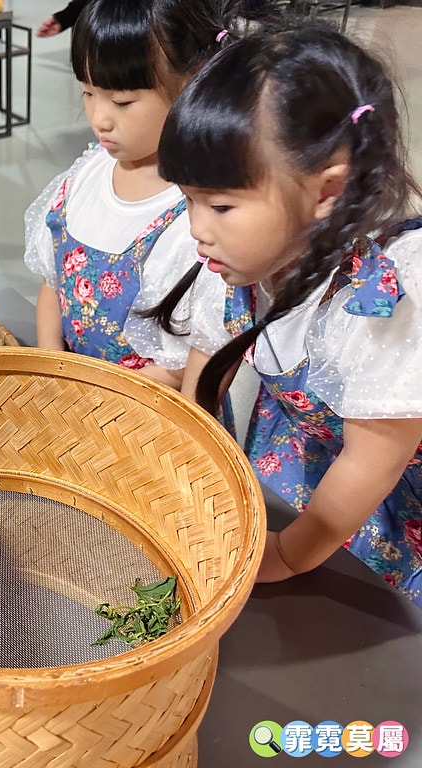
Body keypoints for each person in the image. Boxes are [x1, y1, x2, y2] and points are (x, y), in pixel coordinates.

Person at [152, 21, 422, 605]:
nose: (197, 228)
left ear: (327, 192)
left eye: (221, 205)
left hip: (380, 501)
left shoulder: (386, 298)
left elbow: (373, 459)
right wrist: (185, 460)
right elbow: (208, 360)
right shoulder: (241, 260)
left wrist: (292, 553)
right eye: (188, 200)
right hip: (303, 461)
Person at [24, 0, 235, 392]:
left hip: (142, 411)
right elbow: (52, 284)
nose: (98, 119)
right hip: (67, 398)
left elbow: (186, 365)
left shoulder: (198, 218)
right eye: (88, 93)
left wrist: (92, 400)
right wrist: (53, 370)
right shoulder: (86, 176)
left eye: (121, 102)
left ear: (191, 83)